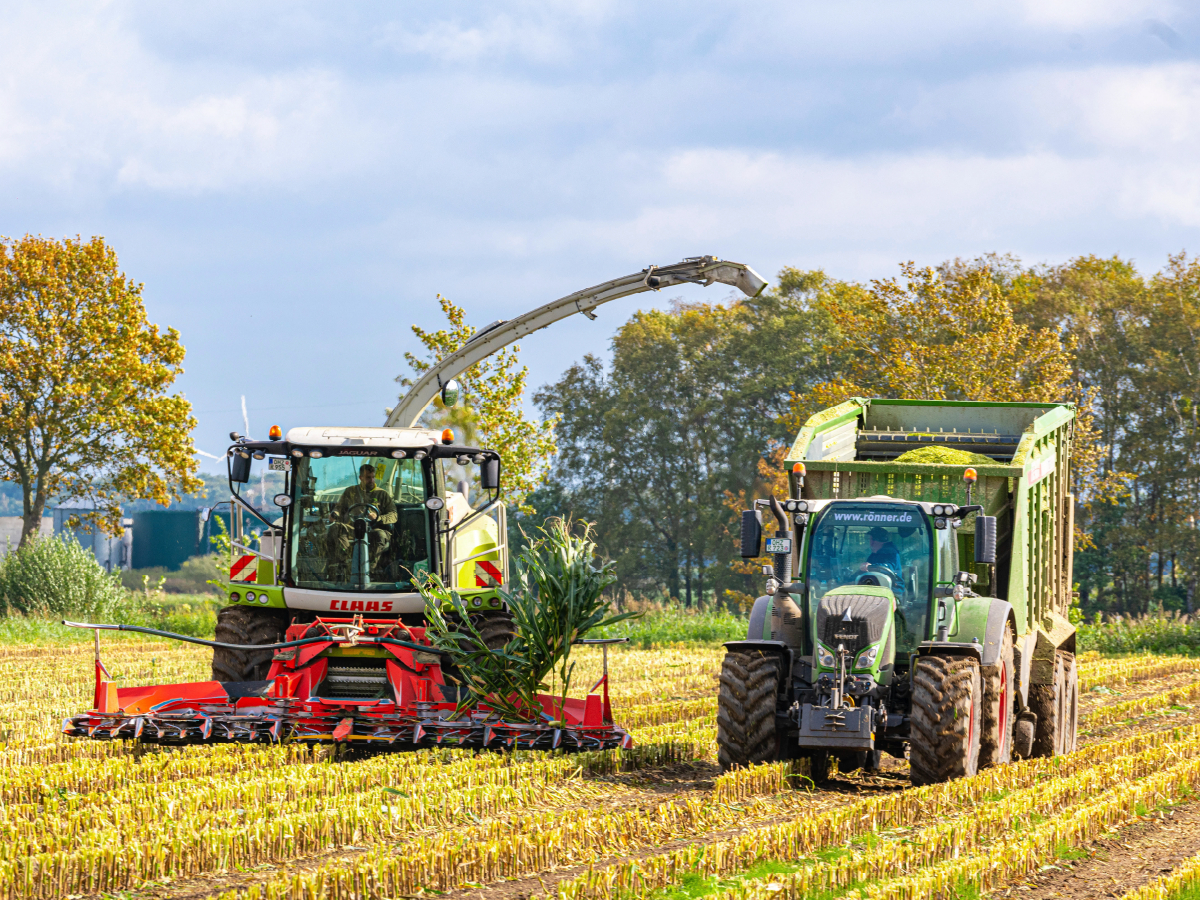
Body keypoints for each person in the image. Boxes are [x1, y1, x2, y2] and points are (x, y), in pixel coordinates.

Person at [329, 463, 398, 569]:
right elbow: (339, 507)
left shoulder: (382, 494)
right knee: (336, 528)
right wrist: (335, 513)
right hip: (353, 528)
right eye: (368, 478)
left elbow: (393, 515)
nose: (371, 480)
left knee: (380, 535)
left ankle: (370, 568)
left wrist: (378, 517)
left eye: (373, 477)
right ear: (360, 478)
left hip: (374, 529)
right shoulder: (350, 491)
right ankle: (348, 560)